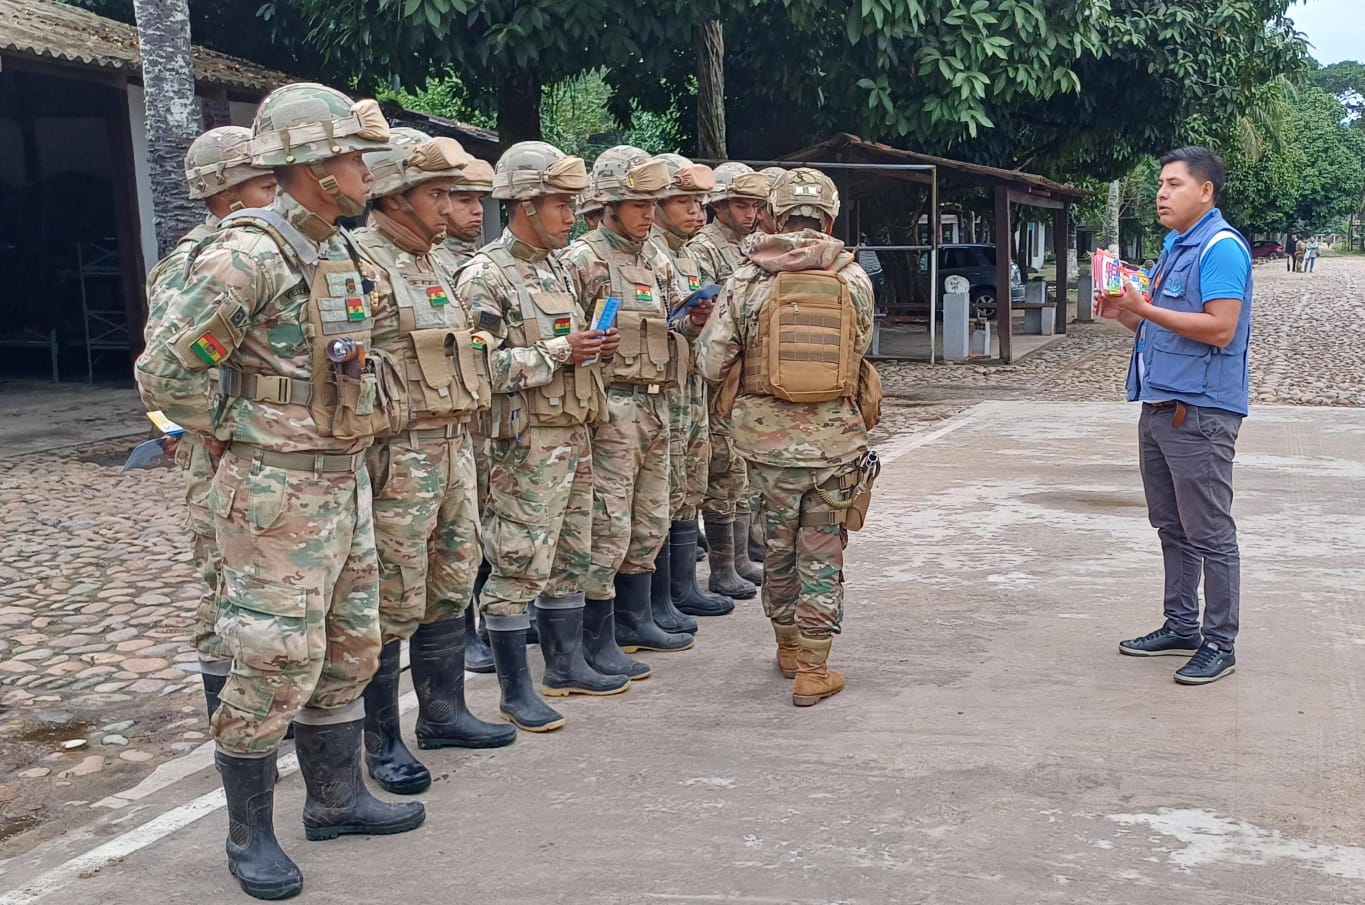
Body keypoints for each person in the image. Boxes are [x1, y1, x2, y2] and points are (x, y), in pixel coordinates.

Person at [135, 83, 423, 899]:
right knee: (271, 655)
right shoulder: (248, 252)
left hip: (343, 480)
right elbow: (165, 370)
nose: (368, 170)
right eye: (351, 156)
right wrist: (228, 425)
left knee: (351, 644)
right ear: (310, 165)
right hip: (273, 492)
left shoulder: (339, 247)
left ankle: (334, 798)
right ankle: (247, 832)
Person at [349, 128, 515, 796]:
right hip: (397, 456)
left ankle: (443, 712)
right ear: (395, 195)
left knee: (448, 583)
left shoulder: (435, 263)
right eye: (437, 192)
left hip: (453, 448)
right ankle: (380, 739)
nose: (450, 205)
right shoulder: (359, 263)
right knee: (391, 597)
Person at [455, 140, 638, 728]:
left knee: (572, 554)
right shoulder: (484, 276)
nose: (569, 214)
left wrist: (593, 348)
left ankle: (565, 665)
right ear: (526, 205)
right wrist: (562, 350)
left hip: (573, 433)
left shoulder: (557, 266)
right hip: (520, 445)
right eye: (560, 204)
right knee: (516, 562)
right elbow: (477, 370)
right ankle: (514, 691)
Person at [696, 167, 876, 708]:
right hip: (835, 444)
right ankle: (814, 671)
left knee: (777, 547)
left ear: (774, 215)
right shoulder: (853, 278)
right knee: (821, 551)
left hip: (762, 444)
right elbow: (861, 347)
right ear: (832, 217)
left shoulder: (748, 278)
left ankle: (788, 648)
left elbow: (710, 361)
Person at [1097, 145, 1252, 686]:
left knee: (1210, 531)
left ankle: (1220, 642)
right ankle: (1181, 624)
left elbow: (1220, 328)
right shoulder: (1173, 250)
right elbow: (1162, 328)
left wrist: (1143, 308)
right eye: (1160, 184)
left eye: (1174, 184)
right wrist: (1125, 314)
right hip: (1161, 406)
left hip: (1201, 414)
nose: (1161, 193)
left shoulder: (1220, 248)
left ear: (1204, 191)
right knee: (1171, 527)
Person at [140, 126, 277, 721]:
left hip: (258, 448)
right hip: (216, 451)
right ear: (226, 194)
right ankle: (230, 718)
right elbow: (164, 367)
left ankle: (269, 708)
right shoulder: (199, 261)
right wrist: (215, 425)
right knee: (225, 583)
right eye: (269, 184)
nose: (282, 195)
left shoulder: (268, 249)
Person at [561, 145, 706, 656]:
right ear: (609, 205)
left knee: (651, 516)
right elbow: (566, 337)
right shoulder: (584, 260)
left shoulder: (655, 258)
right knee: (608, 520)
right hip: (612, 406)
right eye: (639, 205)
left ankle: (637, 616)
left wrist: (695, 318)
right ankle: (599, 632)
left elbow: (672, 320)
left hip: (657, 400)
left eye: (652, 205)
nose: (649, 214)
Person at [647, 153, 735, 624]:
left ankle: (680, 589)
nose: (695, 211)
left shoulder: (680, 253)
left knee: (688, 487)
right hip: (655, 393)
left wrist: (697, 318)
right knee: (661, 493)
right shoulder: (653, 254)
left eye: (699, 202)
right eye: (683, 201)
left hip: (688, 386)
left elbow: (676, 321)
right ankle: (661, 599)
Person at [686, 161, 772, 598]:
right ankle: (723, 565)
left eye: (755, 205)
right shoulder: (703, 248)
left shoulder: (756, 245)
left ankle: (738, 557)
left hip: (747, 372)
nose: (750, 213)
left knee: (739, 467)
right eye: (741, 204)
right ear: (718, 206)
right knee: (721, 466)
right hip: (719, 372)